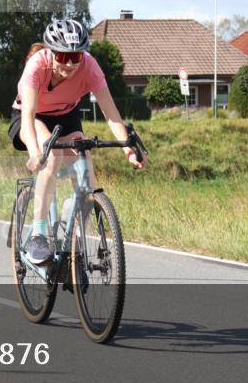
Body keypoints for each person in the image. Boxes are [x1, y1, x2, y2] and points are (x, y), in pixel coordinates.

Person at [8, 19, 146, 264]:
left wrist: (128, 149)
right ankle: (39, 233)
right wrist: (34, 152)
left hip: (66, 115)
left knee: (84, 161)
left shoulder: (90, 67)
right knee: (51, 155)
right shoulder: (36, 67)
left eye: (76, 57)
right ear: (50, 53)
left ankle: (75, 237)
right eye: (62, 57)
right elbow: (28, 116)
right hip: (32, 117)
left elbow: (111, 114)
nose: (70, 64)